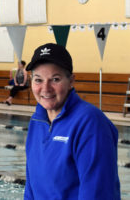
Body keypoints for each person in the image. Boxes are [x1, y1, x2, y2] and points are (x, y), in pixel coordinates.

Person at [24, 43, 120, 200]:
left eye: (55, 79)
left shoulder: (90, 123)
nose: (45, 88)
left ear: (71, 81)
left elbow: (97, 193)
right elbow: (31, 188)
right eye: (38, 80)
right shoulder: (37, 120)